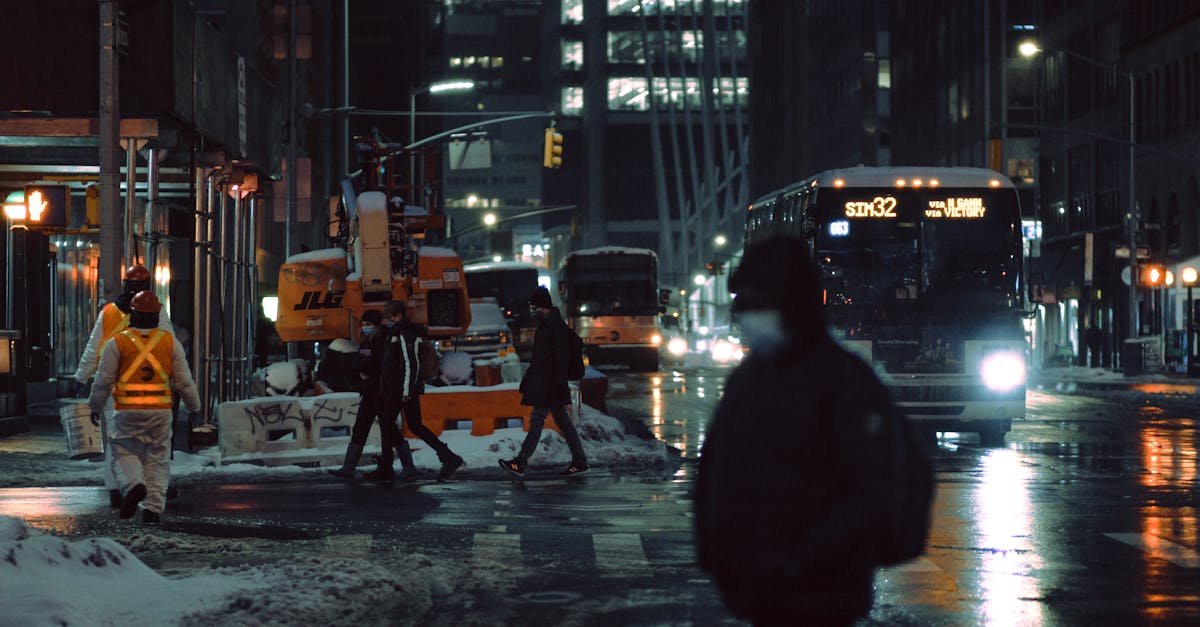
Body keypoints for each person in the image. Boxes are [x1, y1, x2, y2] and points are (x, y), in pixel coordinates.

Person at [694, 236, 906, 626]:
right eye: (741, 303)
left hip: (820, 594)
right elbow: (717, 469)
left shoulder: (843, 381)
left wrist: (797, 561)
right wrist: (719, 555)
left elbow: (871, 488)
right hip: (760, 591)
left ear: (789, 302)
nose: (744, 314)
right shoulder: (750, 376)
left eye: (756, 303)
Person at [87, 291, 201, 525]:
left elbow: (103, 380)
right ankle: (153, 509)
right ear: (158, 314)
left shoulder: (116, 342)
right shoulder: (170, 343)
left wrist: (95, 406)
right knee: (157, 459)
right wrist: (194, 406)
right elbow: (184, 381)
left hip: (126, 410)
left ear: (133, 314)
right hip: (160, 411)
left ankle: (133, 486)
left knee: (123, 451)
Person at [72, 264, 174, 507]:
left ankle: (117, 489)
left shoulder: (108, 312)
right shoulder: (156, 312)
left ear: (124, 284)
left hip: (113, 388)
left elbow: (93, 348)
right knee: (149, 444)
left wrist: (81, 378)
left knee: (114, 443)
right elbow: (170, 348)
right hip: (149, 388)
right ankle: (144, 490)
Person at [499, 286, 590, 478]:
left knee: (537, 420)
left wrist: (557, 382)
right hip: (547, 383)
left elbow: (561, 357)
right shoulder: (548, 325)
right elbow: (541, 359)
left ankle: (521, 463)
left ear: (543, 307)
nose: (532, 312)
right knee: (563, 423)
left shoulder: (555, 327)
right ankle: (580, 461)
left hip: (550, 384)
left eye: (534, 308)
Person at [369, 300, 464, 484]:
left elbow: (411, 365)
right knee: (412, 425)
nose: (387, 321)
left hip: (403, 390)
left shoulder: (405, 335)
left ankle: (386, 468)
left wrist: (406, 390)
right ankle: (448, 457)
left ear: (398, 316)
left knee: (389, 423)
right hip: (399, 389)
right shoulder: (396, 333)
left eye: (390, 317)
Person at [327, 310, 419, 481]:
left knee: (389, 429)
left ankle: (407, 467)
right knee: (363, 427)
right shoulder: (366, 341)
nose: (365, 327)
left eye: (369, 324)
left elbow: (379, 366)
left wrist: (364, 369)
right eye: (364, 324)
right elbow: (362, 363)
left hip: (381, 393)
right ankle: (349, 467)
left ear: (377, 325)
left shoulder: (384, 341)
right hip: (369, 392)